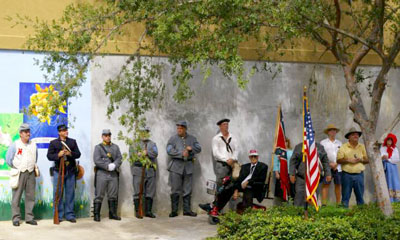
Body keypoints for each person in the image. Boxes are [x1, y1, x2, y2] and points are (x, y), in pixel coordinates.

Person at [209, 149, 268, 216]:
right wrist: (236, 190)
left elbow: (261, 179)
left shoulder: (263, 166)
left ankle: (247, 214)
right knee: (228, 189)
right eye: (252, 156)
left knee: (248, 189)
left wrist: (248, 182)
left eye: (255, 156)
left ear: (258, 157)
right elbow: (239, 179)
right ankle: (216, 208)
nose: (253, 158)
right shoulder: (245, 167)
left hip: (255, 187)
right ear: (249, 157)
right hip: (242, 186)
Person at [199, 118, 239, 212]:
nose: (226, 126)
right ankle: (216, 208)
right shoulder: (216, 139)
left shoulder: (233, 137)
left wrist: (233, 159)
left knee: (232, 186)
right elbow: (216, 153)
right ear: (220, 126)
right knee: (221, 186)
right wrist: (226, 160)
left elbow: (236, 150)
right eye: (224, 125)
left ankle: (231, 210)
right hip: (222, 165)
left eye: (227, 124)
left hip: (233, 165)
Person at [166, 121, 202, 217]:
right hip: (176, 167)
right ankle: (174, 211)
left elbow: (199, 148)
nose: (179, 130)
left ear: (185, 129)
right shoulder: (173, 139)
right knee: (175, 189)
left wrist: (191, 148)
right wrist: (180, 153)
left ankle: (187, 210)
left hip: (188, 166)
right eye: (178, 128)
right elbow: (169, 150)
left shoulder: (192, 138)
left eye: (181, 128)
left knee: (187, 189)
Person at [47, 124, 81, 223]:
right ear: (59, 132)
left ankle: (70, 215)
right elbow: (49, 156)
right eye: (64, 130)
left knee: (70, 194)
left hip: (70, 171)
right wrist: (58, 155)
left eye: (66, 130)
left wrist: (70, 154)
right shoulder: (53, 143)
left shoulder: (72, 142)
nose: (66, 132)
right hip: (58, 171)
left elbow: (78, 154)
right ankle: (59, 215)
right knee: (58, 194)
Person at [6, 123, 38, 226]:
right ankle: (16, 218)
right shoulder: (15, 144)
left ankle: (29, 217)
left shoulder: (33, 144)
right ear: (20, 134)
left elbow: (35, 157)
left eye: (29, 131)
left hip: (31, 173)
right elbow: (8, 160)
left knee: (30, 196)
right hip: (19, 173)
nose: (28, 133)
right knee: (16, 196)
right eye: (25, 132)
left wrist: (31, 166)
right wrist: (17, 167)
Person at [93, 129, 122, 222]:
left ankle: (112, 214)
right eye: (105, 135)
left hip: (113, 174)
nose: (107, 137)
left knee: (113, 194)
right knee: (99, 194)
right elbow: (97, 160)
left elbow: (119, 158)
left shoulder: (115, 147)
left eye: (109, 135)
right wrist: (106, 166)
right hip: (102, 173)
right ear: (102, 136)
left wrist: (115, 165)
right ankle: (96, 215)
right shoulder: (98, 147)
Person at [289, 141, 331, 207]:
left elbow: (325, 161)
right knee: (299, 197)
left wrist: (328, 173)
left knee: (312, 199)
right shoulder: (299, 147)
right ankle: (297, 215)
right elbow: (293, 161)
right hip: (301, 178)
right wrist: (292, 173)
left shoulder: (320, 147)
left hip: (314, 179)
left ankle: (311, 215)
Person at [129, 126, 158, 218]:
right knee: (138, 191)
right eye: (142, 132)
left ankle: (148, 211)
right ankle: (138, 212)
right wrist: (140, 155)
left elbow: (155, 153)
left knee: (150, 191)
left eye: (146, 132)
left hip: (150, 171)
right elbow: (132, 158)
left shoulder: (152, 144)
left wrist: (146, 153)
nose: (144, 134)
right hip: (138, 171)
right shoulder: (134, 144)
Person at [337, 127, 369, 208]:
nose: (356, 135)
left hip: (359, 175)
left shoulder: (362, 147)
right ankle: (344, 216)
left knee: (360, 197)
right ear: (349, 137)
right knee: (345, 197)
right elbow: (338, 160)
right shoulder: (343, 147)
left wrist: (361, 159)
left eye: (357, 134)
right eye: (353, 134)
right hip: (346, 175)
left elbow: (367, 160)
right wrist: (348, 160)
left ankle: (361, 215)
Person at [320, 124, 342, 205]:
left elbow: (341, 154)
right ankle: (324, 204)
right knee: (325, 184)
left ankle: (338, 204)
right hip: (327, 167)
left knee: (338, 185)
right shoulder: (323, 143)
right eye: (331, 130)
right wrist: (328, 164)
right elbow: (321, 155)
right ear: (328, 132)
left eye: (334, 130)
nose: (333, 132)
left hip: (338, 167)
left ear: (336, 132)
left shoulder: (339, 143)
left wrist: (336, 163)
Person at [273, 138, 294, 205]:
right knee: (281, 192)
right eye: (283, 142)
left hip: (289, 173)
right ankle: (281, 206)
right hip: (281, 173)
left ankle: (289, 206)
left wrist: (293, 173)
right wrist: (276, 173)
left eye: (286, 142)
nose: (284, 143)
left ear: (288, 142)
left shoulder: (292, 151)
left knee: (290, 191)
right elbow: (275, 163)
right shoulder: (278, 152)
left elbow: (294, 163)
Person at [380, 133, 400, 202]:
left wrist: (388, 159)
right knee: (386, 181)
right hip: (384, 167)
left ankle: (395, 199)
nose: (389, 141)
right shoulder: (382, 147)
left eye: (391, 140)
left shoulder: (395, 148)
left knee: (394, 181)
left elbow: (397, 159)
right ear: (386, 140)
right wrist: (383, 157)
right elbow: (380, 156)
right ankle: (386, 199)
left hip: (393, 168)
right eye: (388, 140)